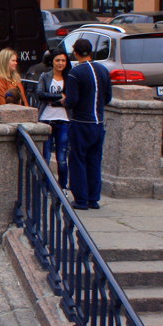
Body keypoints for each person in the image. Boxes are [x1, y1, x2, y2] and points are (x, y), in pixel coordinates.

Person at [64, 37, 113, 210]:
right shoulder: (103, 70)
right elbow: (108, 97)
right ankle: (93, 198)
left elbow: (72, 101)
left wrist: (64, 101)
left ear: (76, 53)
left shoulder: (75, 73)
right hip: (98, 122)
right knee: (94, 160)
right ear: (90, 52)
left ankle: (81, 199)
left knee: (77, 160)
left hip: (80, 122)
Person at [35, 49, 71, 188]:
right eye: (57, 60)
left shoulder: (69, 77)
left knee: (62, 158)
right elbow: (40, 93)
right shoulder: (45, 76)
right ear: (52, 61)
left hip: (64, 120)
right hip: (46, 118)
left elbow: (70, 98)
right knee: (46, 156)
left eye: (63, 60)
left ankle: (62, 187)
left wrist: (54, 100)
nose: (60, 63)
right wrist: (58, 98)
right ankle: (45, 186)